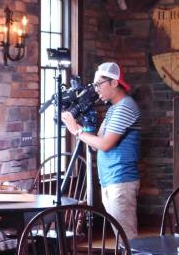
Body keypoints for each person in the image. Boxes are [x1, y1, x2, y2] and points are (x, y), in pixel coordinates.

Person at [61, 62, 141, 240]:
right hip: (110, 180)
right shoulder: (114, 109)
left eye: (99, 84)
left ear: (113, 83)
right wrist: (84, 123)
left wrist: (76, 130)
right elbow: (94, 143)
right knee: (122, 240)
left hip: (121, 180)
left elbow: (105, 144)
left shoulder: (126, 106)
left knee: (128, 241)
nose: (96, 89)